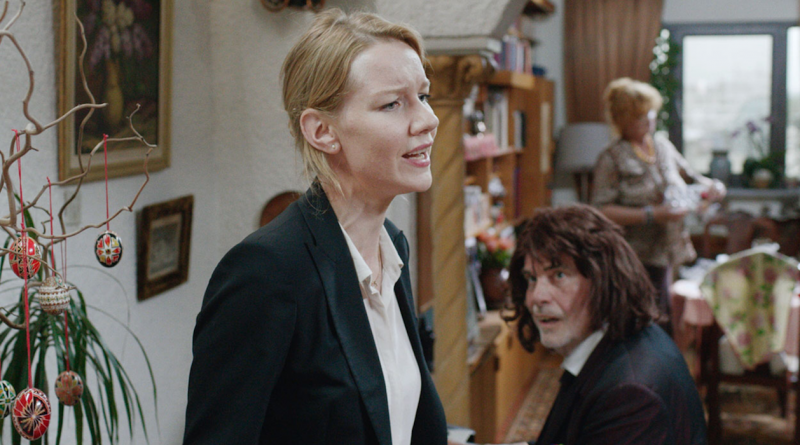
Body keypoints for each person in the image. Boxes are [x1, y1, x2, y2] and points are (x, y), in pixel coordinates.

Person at [183, 9, 447, 445]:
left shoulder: (393, 247)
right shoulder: (266, 272)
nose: (427, 119)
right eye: (392, 103)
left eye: (423, 95)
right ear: (322, 131)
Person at [503, 204, 707, 445]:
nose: (537, 297)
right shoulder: (622, 338)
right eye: (531, 278)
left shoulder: (631, 395)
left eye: (559, 275)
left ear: (603, 279)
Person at [592, 77, 725, 334]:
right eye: (640, 116)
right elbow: (601, 210)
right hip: (633, 256)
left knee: (662, 320)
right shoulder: (611, 157)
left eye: (650, 113)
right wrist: (652, 214)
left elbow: (692, 177)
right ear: (623, 121)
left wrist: (713, 187)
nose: (649, 119)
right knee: (644, 324)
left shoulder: (662, 146)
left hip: (666, 251)